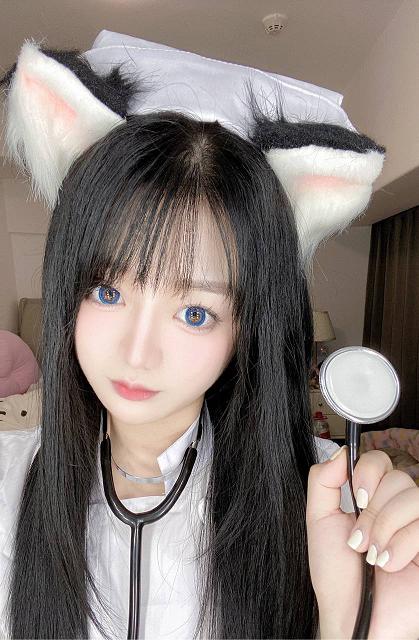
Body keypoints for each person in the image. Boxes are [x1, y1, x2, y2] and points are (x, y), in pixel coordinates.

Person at [1, 35, 418, 640]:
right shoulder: (9, 482)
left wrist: (363, 619)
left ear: (247, 326)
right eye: (108, 293)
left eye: (195, 313)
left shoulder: (329, 498)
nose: (137, 353)